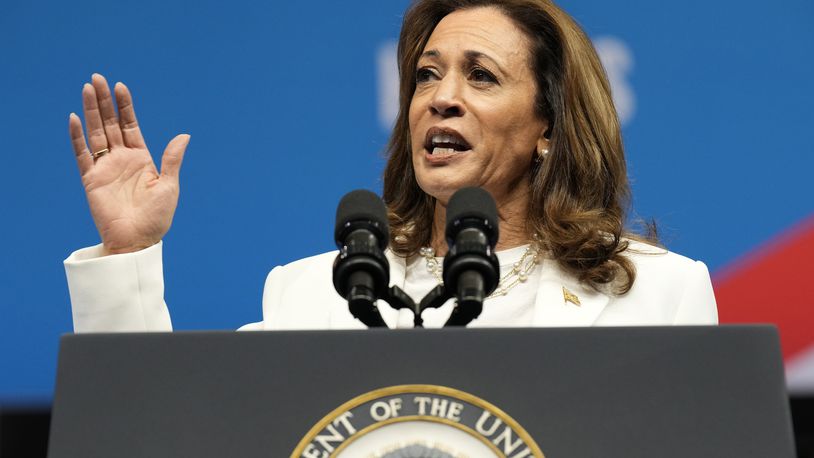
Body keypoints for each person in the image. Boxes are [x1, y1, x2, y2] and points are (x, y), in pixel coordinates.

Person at [64, 0, 717, 332]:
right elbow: (169, 428)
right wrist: (128, 255)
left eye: (481, 76)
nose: (441, 97)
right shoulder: (312, 295)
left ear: (547, 126)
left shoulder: (658, 295)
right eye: (427, 75)